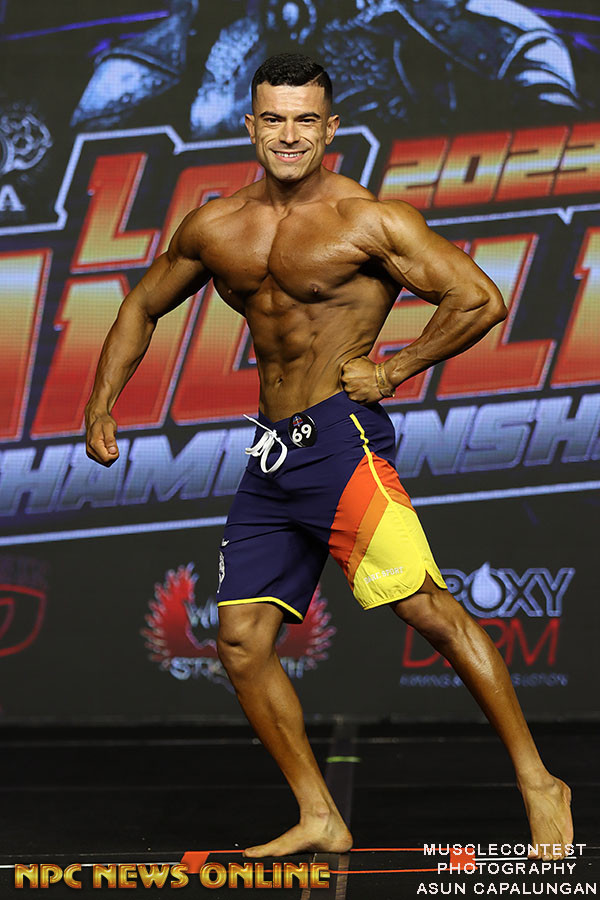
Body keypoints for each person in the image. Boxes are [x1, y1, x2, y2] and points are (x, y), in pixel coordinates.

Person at [85, 53, 573, 861]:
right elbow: (140, 303)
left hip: (342, 442)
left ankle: (537, 780)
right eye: (274, 119)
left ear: (330, 127)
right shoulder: (215, 225)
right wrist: (102, 402)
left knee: (427, 610)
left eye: (305, 119)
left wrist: (396, 368)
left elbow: (479, 298)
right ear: (250, 126)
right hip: (273, 455)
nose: (289, 135)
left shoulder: (368, 220)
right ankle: (320, 815)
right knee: (240, 640)